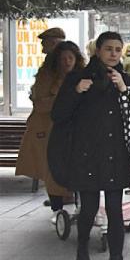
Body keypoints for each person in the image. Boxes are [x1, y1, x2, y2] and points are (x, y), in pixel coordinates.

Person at [49, 32, 130, 260]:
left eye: (117, 50)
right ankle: (82, 248)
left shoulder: (125, 79)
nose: (113, 54)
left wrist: (124, 89)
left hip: (115, 155)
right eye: (108, 49)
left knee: (116, 212)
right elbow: (59, 114)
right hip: (87, 155)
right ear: (97, 51)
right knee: (87, 210)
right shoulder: (78, 78)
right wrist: (76, 92)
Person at [16, 41, 85, 222]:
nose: (67, 62)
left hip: (74, 130)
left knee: (78, 167)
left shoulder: (82, 75)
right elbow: (40, 104)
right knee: (51, 169)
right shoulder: (46, 77)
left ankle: (79, 205)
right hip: (48, 131)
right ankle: (57, 208)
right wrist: (67, 99)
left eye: (70, 58)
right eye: (63, 59)